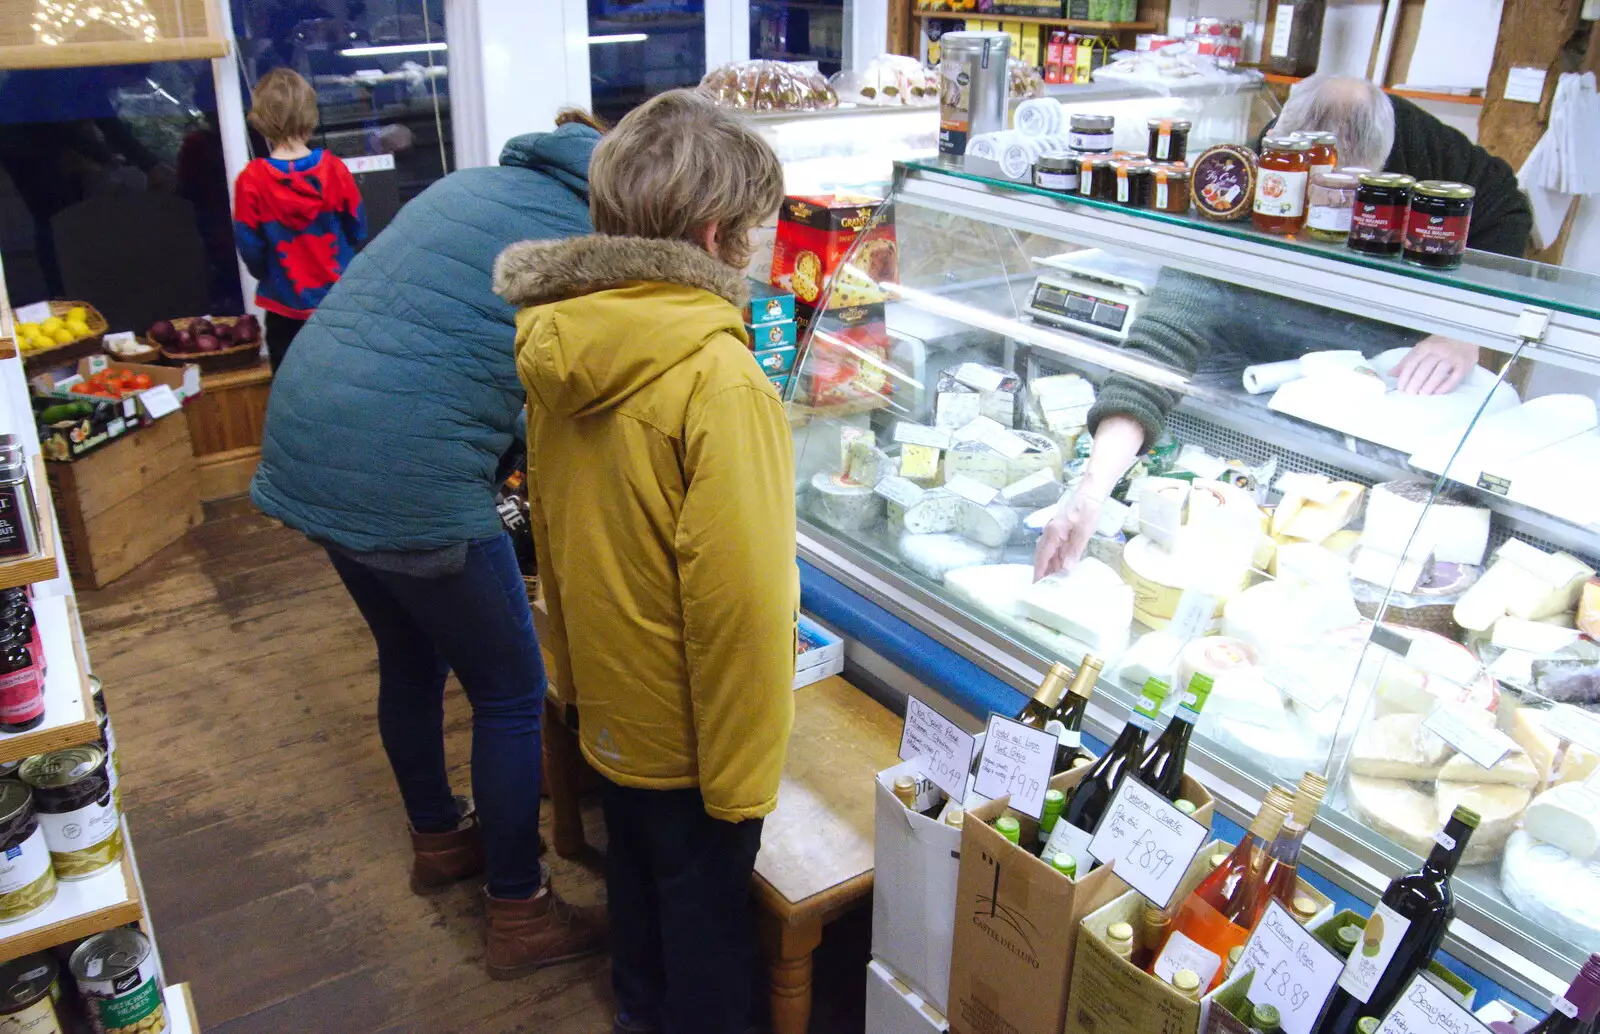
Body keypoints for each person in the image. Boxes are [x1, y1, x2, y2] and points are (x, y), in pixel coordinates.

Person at [250, 111, 607, 979]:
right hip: (407, 465)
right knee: (514, 693)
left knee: (408, 657)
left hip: (306, 431)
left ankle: (441, 841)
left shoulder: (467, 185)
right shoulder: (596, 240)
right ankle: (519, 911)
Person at [495, 89, 796, 1034]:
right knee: (708, 946)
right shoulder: (718, 376)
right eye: (751, 228)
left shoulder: (559, 337)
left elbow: (563, 524)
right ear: (716, 236)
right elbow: (741, 606)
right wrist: (743, 784)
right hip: (697, 741)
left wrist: (578, 690)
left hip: (612, 711)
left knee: (641, 913)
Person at [1270, 73, 1532, 257]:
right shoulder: (1278, 149)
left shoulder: (1424, 145)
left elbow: (1508, 210)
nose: (1335, 201)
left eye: (1347, 191)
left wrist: (1463, 322)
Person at [232, 68, 365, 371]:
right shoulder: (334, 170)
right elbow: (358, 229)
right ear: (309, 114)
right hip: (337, 303)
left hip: (283, 307)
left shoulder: (251, 180)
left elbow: (249, 248)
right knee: (342, 383)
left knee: (287, 393)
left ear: (262, 119)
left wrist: (271, 272)